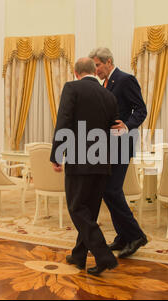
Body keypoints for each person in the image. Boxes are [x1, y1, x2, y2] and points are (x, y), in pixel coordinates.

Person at [50, 57, 119, 276]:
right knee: (89, 210)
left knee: (77, 208)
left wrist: (57, 153)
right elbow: (115, 128)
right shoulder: (109, 95)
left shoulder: (72, 88)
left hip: (80, 158)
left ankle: (103, 254)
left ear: (76, 72)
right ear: (94, 71)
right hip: (103, 159)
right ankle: (79, 255)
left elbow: (64, 120)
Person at [89, 47, 148, 259]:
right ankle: (123, 236)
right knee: (107, 190)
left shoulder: (125, 79)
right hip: (107, 146)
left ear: (108, 62)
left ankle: (136, 235)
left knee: (112, 190)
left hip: (123, 144)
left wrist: (127, 126)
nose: (95, 70)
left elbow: (141, 109)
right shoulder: (104, 84)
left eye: (97, 65)